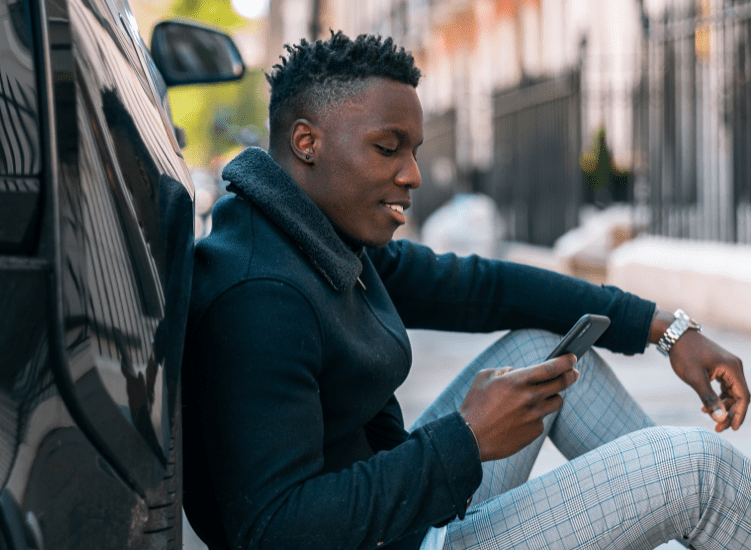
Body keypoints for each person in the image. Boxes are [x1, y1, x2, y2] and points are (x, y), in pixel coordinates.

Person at [182, 31, 750, 550]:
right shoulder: (261, 293)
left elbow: (484, 287)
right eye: (388, 148)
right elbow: (273, 532)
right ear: (307, 142)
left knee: (543, 354)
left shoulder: (319, 238)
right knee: (697, 468)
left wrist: (665, 330)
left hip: (400, 516)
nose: (413, 175)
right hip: (392, 537)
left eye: (414, 151)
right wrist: (467, 437)